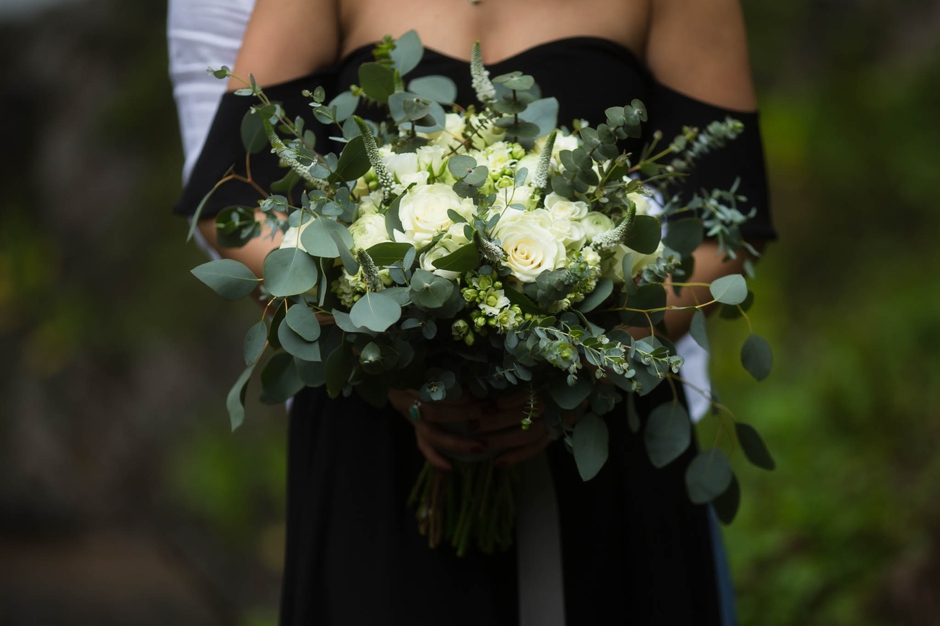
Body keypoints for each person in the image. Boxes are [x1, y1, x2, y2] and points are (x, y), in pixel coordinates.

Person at [172, 0, 775, 623]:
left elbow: (719, 233)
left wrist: (580, 357)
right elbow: (236, 208)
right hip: (375, 425)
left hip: (600, 426)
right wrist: (375, 338)